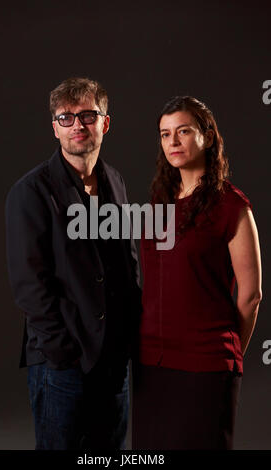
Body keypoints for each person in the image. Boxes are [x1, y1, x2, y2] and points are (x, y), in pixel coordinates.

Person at [5, 77, 141, 450]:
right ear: (55, 128)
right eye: (66, 117)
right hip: (62, 362)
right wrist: (62, 352)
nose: (77, 125)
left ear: (105, 123)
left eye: (87, 115)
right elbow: (29, 285)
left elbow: (127, 266)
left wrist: (128, 339)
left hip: (113, 363)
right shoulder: (30, 192)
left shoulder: (115, 181)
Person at [132, 96, 262, 450]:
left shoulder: (231, 205)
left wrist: (228, 359)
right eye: (165, 134)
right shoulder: (158, 203)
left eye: (183, 131)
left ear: (207, 135)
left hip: (205, 363)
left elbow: (250, 296)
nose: (173, 142)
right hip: (150, 362)